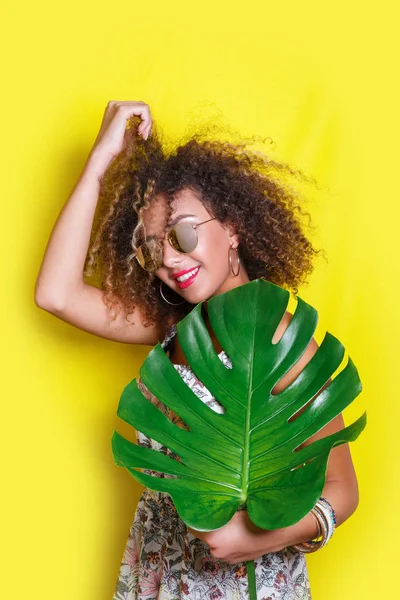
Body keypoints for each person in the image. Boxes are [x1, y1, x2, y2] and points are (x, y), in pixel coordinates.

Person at [35, 101, 360, 600]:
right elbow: (54, 293)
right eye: (152, 246)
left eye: (183, 233)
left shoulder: (280, 339)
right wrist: (101, 164)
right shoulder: (175, 326)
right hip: (160, 569)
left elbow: (342, 488)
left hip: (241, 581)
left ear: (231, 227)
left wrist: (257, 540)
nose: (168, 258)